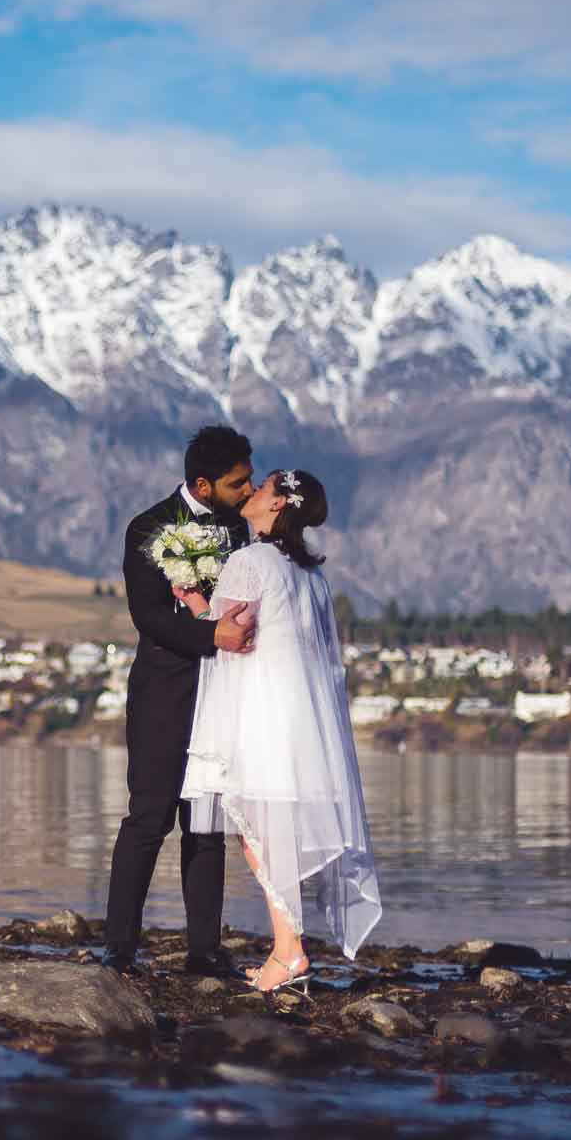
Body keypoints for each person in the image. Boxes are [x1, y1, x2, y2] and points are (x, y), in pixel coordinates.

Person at [175, 468, 383, 992]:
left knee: (259, 837)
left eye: (262, 488)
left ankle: (290, 952)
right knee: (270, 834)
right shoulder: (311, 574)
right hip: (302, 720)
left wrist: (192, 598)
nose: (251, 493)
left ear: (277, 506)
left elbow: (228, 635)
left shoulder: (249, 562)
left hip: (261, 714)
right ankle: (289, 948)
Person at [101, 425, 260, 978]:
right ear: (203, 482)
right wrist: (212, 634)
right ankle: (118, 950)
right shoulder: (147, 529)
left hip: (221, 699)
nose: (248, 490)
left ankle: (204, 952)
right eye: (238, 482)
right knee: (148, 819)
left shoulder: (241, 531)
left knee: (207, 825)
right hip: (164, 695)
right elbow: (148, 618)